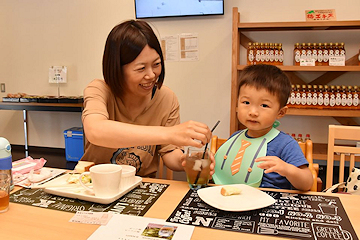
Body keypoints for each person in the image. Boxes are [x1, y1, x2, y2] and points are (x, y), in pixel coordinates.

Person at [81, 20, 213, 178]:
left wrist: (186, 160)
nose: (151, 75)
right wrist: (170, 133)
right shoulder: (99, 89)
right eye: (141, 68)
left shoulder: (166, 98)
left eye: (156, 64)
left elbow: (169, 152)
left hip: (140, 189)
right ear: (117, 68)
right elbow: (95, 131)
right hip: (95, 186)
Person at [212, 64, 313, 190]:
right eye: (246, 102)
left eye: (264, 105)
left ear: (280, 112)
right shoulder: (234, 137)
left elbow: (307, 182)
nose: (253, 112)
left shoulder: (285, 144)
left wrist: (287, 169)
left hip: (270, 205)